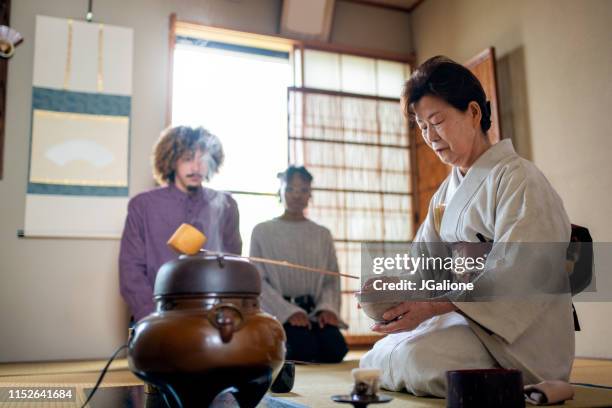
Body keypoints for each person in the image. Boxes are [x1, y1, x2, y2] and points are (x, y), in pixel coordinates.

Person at [359, 56, 574, 397]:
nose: (430, 136)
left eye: (437, 121)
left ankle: (523, 379)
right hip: (465, 320)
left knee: (416, 359)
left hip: (518, 338)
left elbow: (521, 272)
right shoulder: (444, 196)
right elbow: (426, 270)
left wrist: (436, 307)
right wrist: (393, 291)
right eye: (422, 127)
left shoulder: (520, 179)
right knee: (376, 357)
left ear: (473, 113)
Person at [119, 126, 242, 322]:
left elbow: (232, 264)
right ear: (171, 160)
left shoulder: (225, 205)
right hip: (154, 314)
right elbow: (131, 270)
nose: (196, 168)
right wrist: (151, 316)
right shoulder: (143, 205)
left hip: (210, 316)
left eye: (202, 160)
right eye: (187, 159)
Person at [250, 166, 348, 363]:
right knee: (303, 349)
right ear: (280, 191)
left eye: (303, 190)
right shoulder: (262, 231)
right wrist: (289, 312)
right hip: (280, 313)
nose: (296, 195)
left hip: (314, 311)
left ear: (310, 194)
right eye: (290, 189)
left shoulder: (322, 234)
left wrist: (326, 309)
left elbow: (331, 279)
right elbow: (258, 282)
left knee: (336, 349)